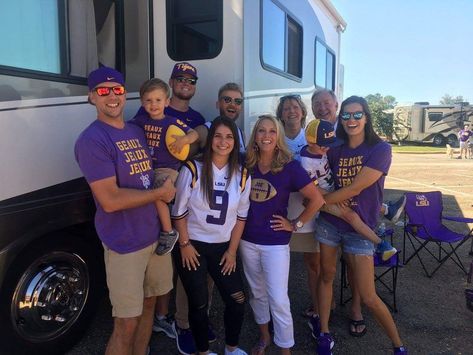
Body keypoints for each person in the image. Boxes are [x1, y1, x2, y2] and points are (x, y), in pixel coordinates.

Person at [74, 66, 176, 355]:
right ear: (91, 97)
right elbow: (110, 200)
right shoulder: (92, 140)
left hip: (154, 237)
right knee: (125, 323)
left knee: (149, 305)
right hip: (124, 243)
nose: (112, 96)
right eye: (103, 91)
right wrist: (160, 193)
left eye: (117, 89)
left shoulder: (135, 129)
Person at [315, 96, 407, 355]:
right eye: (346, 115)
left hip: (360, 225)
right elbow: (320, 179)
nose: (351, 120)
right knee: (326, 276)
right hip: (330, 224)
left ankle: (398, 346)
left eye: (357, 115)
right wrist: (325, 205)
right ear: (340, 119)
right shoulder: (333, 148)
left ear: (367, 117)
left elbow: (356, 187)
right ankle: (323, 331)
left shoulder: (380, 149)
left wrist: (319, 202)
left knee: (368, 296)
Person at [240, 114, 324, 355]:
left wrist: (295, 224)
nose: (266, 136)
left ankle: (285, 348)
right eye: (261, 131)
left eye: (272, 131)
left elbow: (317, 200)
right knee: (257, 293)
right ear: (255, 136)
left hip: (275, 243)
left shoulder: (290, 167)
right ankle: (265, 337)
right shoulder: (246, 163)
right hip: (247, 240)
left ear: (278, 137)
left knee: (278, 298)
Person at [172, 117, 251, 355]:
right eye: (218, 135)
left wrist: (232, 251)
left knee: (237, 301)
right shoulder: (192, 168)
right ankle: (203, 352)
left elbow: (241, 218)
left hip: (222, 247)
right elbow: (178, 212)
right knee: (199, 304)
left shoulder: (242, 174)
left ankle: (231, 348)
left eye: (229, 137)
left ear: (235, 142)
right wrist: (184, 244)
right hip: (193, 246)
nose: (223, 141)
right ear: (210, 139)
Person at [303, 119, 397, 260]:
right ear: (310, 142)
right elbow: (313, 189)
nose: (327, 149)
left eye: (329, 144)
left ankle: (386, 210)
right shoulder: (307, 163)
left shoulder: (317, 150)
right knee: (351, 215)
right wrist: (335, 196)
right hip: (321, 196)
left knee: (356, 205)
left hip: (330, 191)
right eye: (324, 146)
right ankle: (380, 245)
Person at [130, 78, 199, 255]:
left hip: (167, 169)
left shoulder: (171, 121)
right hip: (147, 168)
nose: (154, 104)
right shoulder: (140, 121)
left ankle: (168, 232)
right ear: (142, 103)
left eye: (158, 100)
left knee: (159, 195)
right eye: (149, 100)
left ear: (167, 102)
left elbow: (194, 134)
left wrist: (184, 140)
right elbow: (124, 129)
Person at [275, 94, 323, 340]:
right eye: (286, 108)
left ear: (303, 112)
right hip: (279, 212)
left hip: (308, 212)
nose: (291, 111)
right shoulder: (274, 137)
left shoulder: (313, 138)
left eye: (295, 107)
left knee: (312, 264)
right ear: (281, 114)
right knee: (275, 267)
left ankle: (318, 309)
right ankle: (276, 314)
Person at [201, 82, 246, 153]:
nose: (233, 105)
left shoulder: (241, 134)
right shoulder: (204, 131)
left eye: (238, 101)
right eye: (227, 100)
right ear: (218, 104)